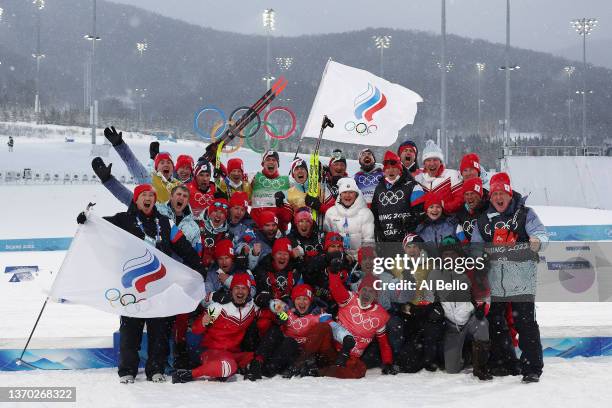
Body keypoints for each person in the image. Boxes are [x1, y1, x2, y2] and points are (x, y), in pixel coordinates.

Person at [77, 184, 205, 384]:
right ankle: (127, 370)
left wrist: (197, 267)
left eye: (151, 195)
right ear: (136, 200)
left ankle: (156, 369)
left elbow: (183, 247)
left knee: (159, 332)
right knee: (130, 331)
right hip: (132, 287)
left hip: (159, 286)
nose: (148, 198)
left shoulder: (165, 222)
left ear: (155, 200)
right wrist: (87, 220)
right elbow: (101, 227)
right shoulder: (123, 219)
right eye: (143, 195)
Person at [470, 172, 547, 383]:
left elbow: (541, 233)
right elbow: (475, 247)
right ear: (490, 196)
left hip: (521, 279)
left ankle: (532, 367)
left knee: (525, 323)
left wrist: (537, 240)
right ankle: (503, 362)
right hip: (495, 282)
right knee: (496, 322)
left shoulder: (525, 213)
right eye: (494, 193)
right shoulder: (484, 220)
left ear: (510, 193)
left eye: (502, 192)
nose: (498, 197)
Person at [172, 273, 259, 383]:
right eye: (237, 288)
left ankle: (220, 369)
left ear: (248, 291)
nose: (240, 292)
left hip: (233, 353)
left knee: (256, 358)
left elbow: (268, 313)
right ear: (231, 290)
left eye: (243, 288)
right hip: (213, 351)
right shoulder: (218, 308)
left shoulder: (251, 308)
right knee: (227, 367)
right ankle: (188, 374)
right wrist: (203, 322)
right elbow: (196, 329)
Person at [428, 237, 492, 380]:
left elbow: (485, 296)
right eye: (445, 254)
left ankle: (481, 367)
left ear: (459, 255)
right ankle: (468, 354)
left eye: (453, 254)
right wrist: (434, 307)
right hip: (451, 326)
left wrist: (482, 309)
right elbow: (427, 297)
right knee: (451, 369)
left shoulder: (471, 271)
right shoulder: (435, 274)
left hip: (470, 321)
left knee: (482, 324)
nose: (449, 257)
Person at [319, 273, 397, 378]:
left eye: (371, 291)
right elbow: (335, 288)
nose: (366, 294)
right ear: (359, 291)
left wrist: (387, 363)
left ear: (376, 295)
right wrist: (333, 272)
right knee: (322, 327)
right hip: (332, 348)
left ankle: (324, 370)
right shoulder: (350, 299)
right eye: (364, 289)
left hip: (351, 357)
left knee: (359, 371)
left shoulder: (380, 315)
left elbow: (384, 344)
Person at [247, 284, 334, 379]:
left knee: (290, 342)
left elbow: (333, 327)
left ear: (310, 301)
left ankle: (268, 370)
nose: (301, 302)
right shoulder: (287, 310)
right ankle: (258, 362)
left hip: (302, 356)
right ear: (293, 300)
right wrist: (276, 315)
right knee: (275, 330)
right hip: (282, 352)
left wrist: (345, 339)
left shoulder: (318, 314)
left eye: (305, 299)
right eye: (298, 299)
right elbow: (265, 301)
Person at [371, 151, 424, 242]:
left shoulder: (413, 186)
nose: (391, 171)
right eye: (388, 168)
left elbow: (422, 212)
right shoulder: (379, 188)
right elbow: (375, 213)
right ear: (384, 171)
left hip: (408, 241)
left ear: (400, 169)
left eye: (394, 168)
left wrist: (411, 222)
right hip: (386, 240)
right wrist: (378, 231)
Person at [323, 177, 375, 259]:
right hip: (338, 260)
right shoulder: (330, 213)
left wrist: (359, 258)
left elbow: (369, 241)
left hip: (359, 262)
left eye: (351, 192)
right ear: (340, 195)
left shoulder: (366, 213)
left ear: (356, 194)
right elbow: (327, 240)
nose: (347, 195)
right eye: (344, 192)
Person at [414, 140, 463, 214]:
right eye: (428, 160)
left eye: (435, 160)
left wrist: (444, 208)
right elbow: (415, 203)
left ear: (440, 162)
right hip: (426, 221)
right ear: (424, 163)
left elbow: (460, 198)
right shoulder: (419, 179)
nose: (432, 163)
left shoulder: (451, 175)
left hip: (448, 219)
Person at [250, 150, 293, 232]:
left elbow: (301, 187)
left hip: (278, 231)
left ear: (278, 164)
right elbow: (235, 179)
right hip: (257, 230)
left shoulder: (287, 181)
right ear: (263, 163)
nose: (271, 162)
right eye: (268, 159)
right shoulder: (254, 177)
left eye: (274, 160)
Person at [454, 177, 488, 242]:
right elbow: (457, 230)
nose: (469, 197)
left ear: (480, 195)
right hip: (467, 249)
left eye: (472, 193)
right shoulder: (461, 212)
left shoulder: (487, 209)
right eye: (466, 194)